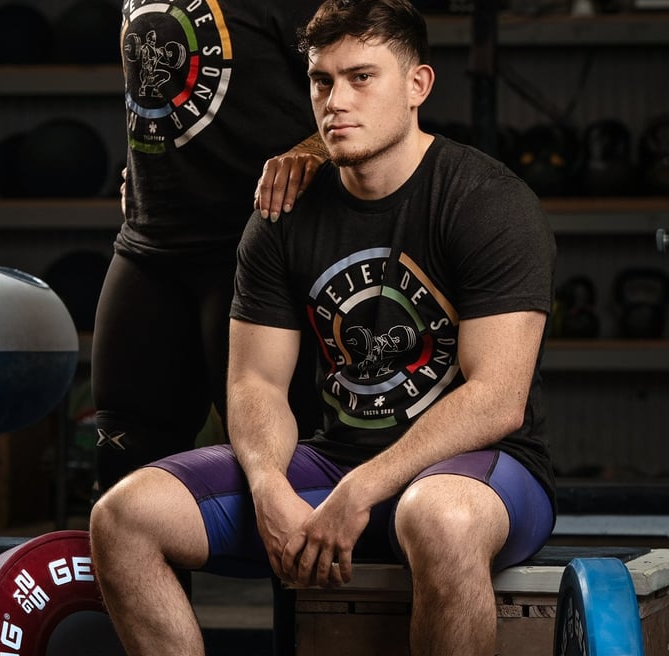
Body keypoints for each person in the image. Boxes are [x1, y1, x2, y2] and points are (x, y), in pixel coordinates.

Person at [89, 0, 557, 654]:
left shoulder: (486, 202)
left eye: (361, 78)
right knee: (122, 516)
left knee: (438, 517)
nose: (336, 101)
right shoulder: (281, 218)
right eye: (321, 81)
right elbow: (256, 382)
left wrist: (360, 489)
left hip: (479, 474)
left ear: (418, 85)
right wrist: (268, 486)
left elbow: (497, 399)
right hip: (335, 464)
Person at [92, 0, 327, 494]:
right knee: (123, 461)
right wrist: (148, 166)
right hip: (149, 246)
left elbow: (372, 83)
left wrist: (313, 152)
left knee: (280, 473)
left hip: (251, 249)